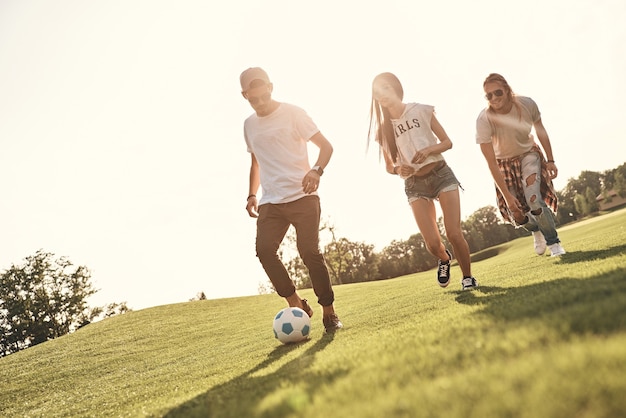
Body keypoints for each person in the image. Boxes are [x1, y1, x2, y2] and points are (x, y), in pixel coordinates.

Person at [240, 67, 343, 333]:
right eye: (254, 100)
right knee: (264, 251)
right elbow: (256, 162)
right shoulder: (249, 125)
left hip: (303, 196)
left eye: (264, 96)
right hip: (271, 201)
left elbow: (326, 147)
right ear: (245, 96)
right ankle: (296, 302)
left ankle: (329, 312)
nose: (260, 103)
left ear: (271, 87)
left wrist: (316, 170)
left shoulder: (294, 113)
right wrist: (252, 194)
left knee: (309, 252)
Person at [367, 72, 478, 290]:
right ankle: (444, 259)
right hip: (415, 185)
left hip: (441, 174)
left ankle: (467, 278)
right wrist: (399, 168)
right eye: (377, 93)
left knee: (454, 233)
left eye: (385, 89)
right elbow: (390, 166)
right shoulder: (383, 129)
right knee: (432, 244)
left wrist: (429, 150)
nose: (382, 95)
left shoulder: (421, 110)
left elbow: (447, 142)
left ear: (396, 88)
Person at [476, 73, 565, 257]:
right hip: (502, 164)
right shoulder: (484, 119)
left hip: (528, 154)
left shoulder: (527, 104)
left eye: (498, 92)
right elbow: (491, 162)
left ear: (508, 90)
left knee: (534, 199)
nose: (494, 98)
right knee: (517, 213)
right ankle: (536, 230)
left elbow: (540, 130)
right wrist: (507, 196)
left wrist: (550, 160)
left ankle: (554, 244)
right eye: (488, 95)